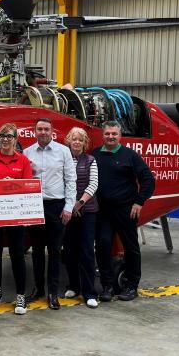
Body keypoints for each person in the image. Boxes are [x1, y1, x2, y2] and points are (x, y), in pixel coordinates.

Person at [92, 121, 155, 301]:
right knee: (103, 246)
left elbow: (148, 180)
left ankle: (131, 286)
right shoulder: (95, 155)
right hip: (102, 211)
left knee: (131, 248)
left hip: (126, 210)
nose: (110, 137)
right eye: (107, 134)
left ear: (120, 136)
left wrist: (139, 202)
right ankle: (107, 286)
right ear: (102, 135)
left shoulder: (130, 155)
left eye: (114, 134)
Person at [0, 123, 33, 315]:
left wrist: (14, 184)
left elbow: (28, 186)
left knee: (17, 253)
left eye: (9, 136)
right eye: (2, 136)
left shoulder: (23, 160)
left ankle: (20, 295)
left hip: (15, 214)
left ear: (15, 139)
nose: (5, 139)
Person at [23, 118, 76, 310]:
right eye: (40, 129)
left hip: (56, 206)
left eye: (46, 129)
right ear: (35, 131)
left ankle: (53, 292)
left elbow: (71, 180)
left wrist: (69, 207)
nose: (43, 132)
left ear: (52, 131)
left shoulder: (64, 151)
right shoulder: (27, 152)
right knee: (37, 251)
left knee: (54, 251)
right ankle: (38, 289)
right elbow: (23, 181)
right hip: (35, 206)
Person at [63, 127, 100, 308]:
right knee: (69, 250)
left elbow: (93, 184)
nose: (77, 142)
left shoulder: (90, 160)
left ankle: (89, 292)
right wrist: (70, 206)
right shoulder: (63, 159)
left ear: (84, 143)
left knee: (86, 251)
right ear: (68, 141)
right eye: (74, 139)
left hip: (87, 211)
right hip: (68, 211)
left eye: (80, 139)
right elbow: (61, 182)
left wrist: (79, 203)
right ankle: (73, 286)